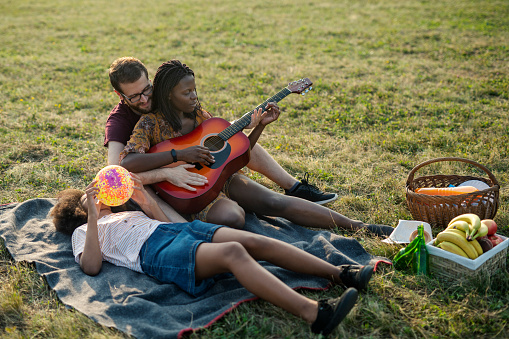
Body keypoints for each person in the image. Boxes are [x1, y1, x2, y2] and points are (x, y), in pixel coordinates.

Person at [51, 175, 375, 336]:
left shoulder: (126, 213)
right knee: (234, 252)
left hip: (177, 234)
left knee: (254, 240)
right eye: (88, 199)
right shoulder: (85, 231)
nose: (97, 197)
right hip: (157, 252)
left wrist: (145, 201)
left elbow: (166, 225)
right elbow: (91, 267)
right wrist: (93, 216)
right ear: (78, 212)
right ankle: (315, 314)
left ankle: (341, 273)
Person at [119, 60, 393, 236]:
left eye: (194, 90)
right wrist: (179, 155)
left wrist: (259, 126)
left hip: (220, 178)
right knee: (234, 216)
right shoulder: (149, 124)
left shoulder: (201, 115)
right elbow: (127, 164)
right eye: (187, 93)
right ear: (169, 95)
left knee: (275, 202)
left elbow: (236, 152)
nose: (194, 96)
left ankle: (360, 227)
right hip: (190, 191)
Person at [105, 57, 337, 205]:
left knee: (232, 139)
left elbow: (204, 131)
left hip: (201, 163)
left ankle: (294, 187)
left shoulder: (166, 95)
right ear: (120, 96)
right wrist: (168, 173)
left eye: (147, 89)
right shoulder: (119, 121)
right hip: (165, 184)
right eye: (135, 96)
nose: (145, 98)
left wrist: (244, 125)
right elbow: (115, 174)